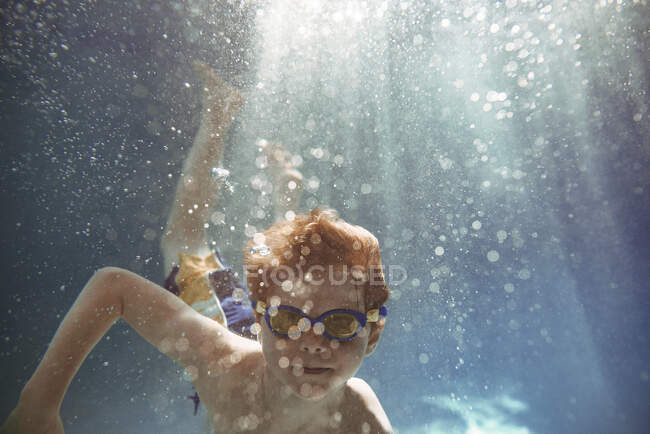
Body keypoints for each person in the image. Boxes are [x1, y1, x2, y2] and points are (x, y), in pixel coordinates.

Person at [0, 62, 393, 434]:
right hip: (229, 318)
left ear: (372, 336)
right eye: (294, 324)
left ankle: (286, 206)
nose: (313, 342)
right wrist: (38, 406)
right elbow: (113, 286)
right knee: (184, 237)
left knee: (293, 270)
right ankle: (219, 116)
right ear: (258, 325)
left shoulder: (362, 418)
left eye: (341, 325)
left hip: (274, 321)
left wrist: (286, 320)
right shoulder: (221, 362)